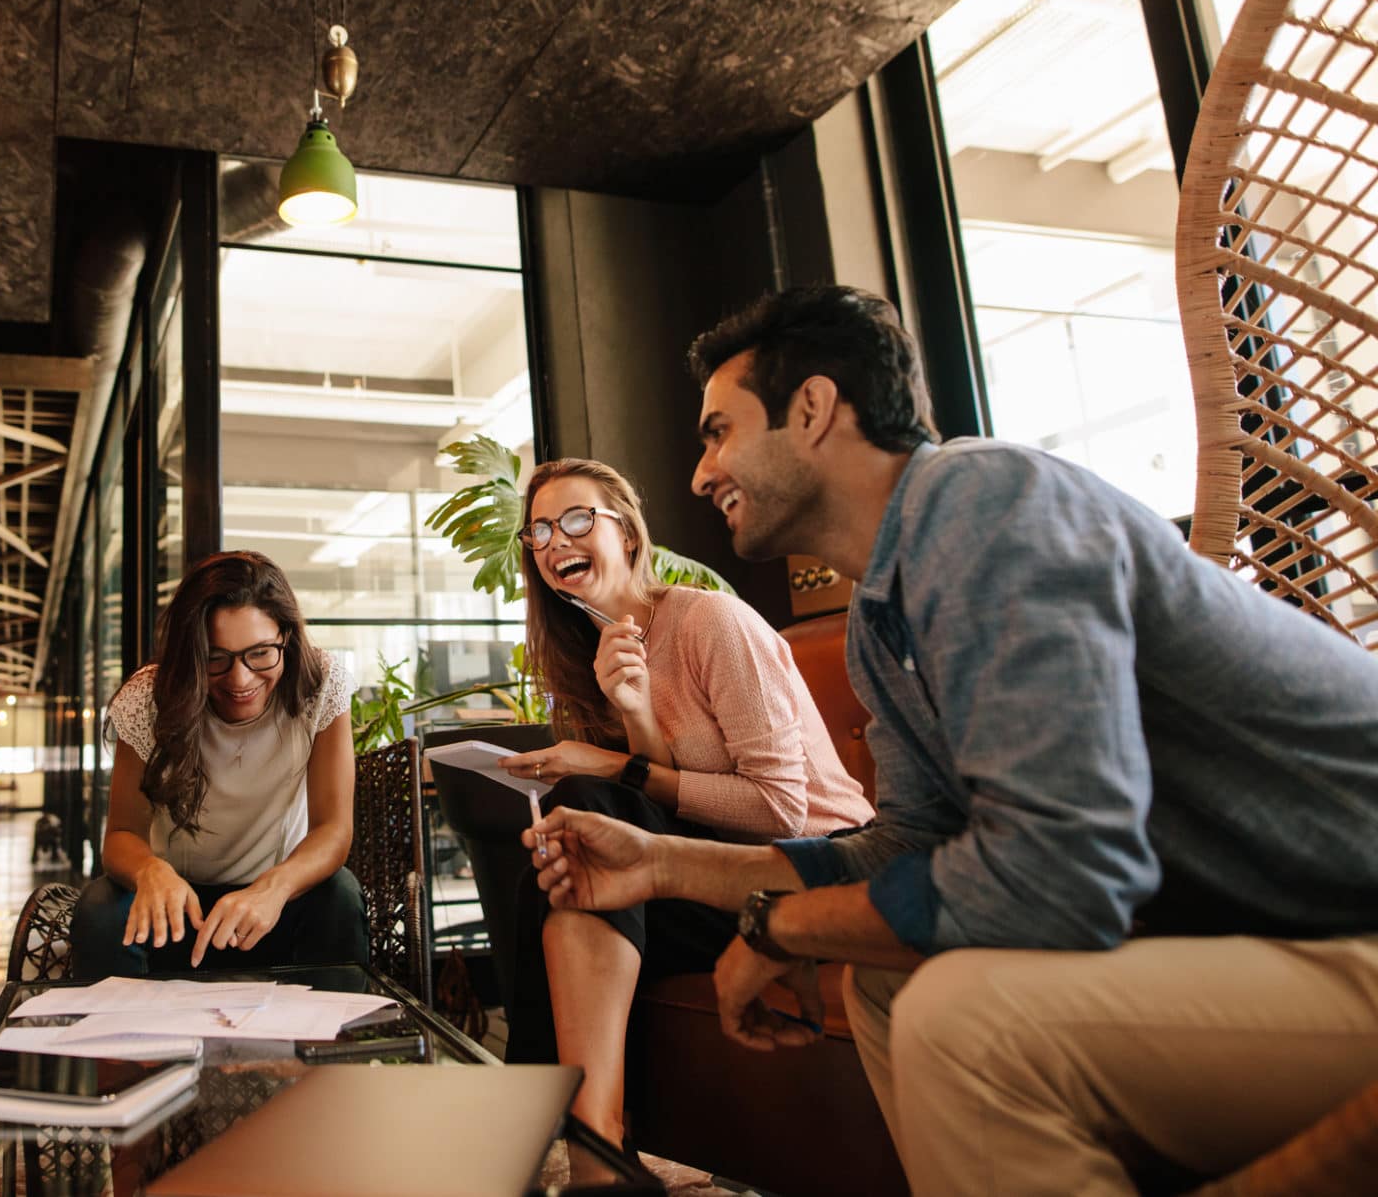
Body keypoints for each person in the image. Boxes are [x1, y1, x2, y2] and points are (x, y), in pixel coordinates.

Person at [524, 285, 1378, 1195]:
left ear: (811, 409)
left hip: (1348, 923)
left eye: (718, 431)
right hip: (1261, 941)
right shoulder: (883, 614)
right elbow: (908, 848)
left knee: (960, 1017)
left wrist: (786, 923)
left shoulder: (984, 501)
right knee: (889, 985)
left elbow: (1063, 872)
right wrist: (656, 863)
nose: (699, 475)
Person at [494, 457, 871, 1148]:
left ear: (629, 536)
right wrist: (633, 718)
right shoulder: (586, 657)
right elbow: (655, 807)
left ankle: (571, 1131)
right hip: (694, 868)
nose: (554, 540)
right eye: (539, 530)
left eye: (577, 519)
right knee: (565, 853)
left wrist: (612, 763)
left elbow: (780, 809)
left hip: (812, 868)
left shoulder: (710, 622)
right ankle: (584, 1132)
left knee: (586, 810)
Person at [69, 549, 367, 976]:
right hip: (177, 913)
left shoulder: (320, 684)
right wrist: (150, 870)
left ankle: (327, 1041)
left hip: (274, 906)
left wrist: (275, 888)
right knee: (99, 908)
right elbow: (120, 834)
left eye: (261, 653)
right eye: (215, 657)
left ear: (286, 636)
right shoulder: (149, 697)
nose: (240, 679)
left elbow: (333, 830)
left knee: (339, 896)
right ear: (190, 652)